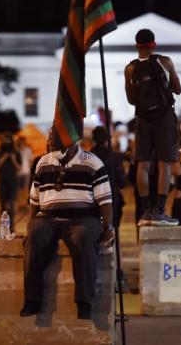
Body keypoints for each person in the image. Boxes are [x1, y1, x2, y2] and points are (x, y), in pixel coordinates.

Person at [20, 132, 115, 320]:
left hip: (84, 218)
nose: (50, 145)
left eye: (54, 142)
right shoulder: (43, 162)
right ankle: (32, 300)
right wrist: (31, 226)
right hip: (48, 217)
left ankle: (84, 302)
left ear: (70, 142)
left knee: (84, 239)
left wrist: (108, 227)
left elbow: (105, 200)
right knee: (34, 238)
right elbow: (34, 199)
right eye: (50, 141)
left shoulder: (92, 162)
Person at [124, 28, 181, 227]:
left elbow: (132, 99)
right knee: (165, 163)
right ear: (154, 45)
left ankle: (146, 210)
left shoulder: (130, 68)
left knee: (143, 164)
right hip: (164, 117)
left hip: (143, 119)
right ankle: (160, 210)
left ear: (136, 45)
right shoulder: (165, 62)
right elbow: (178, 89)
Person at [90, 126, 128, 231]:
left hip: (93, 198)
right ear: (107, 139)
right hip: (112, 196)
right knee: (113, 228)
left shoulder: (88, 157)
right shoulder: (113, 156)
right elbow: (121, 180)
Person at [0, 133, 21, 232]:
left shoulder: (16, 152)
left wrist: (13, 159)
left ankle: (12, 227)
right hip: (2, 181)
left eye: (8, 140)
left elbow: (19, 167)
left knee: (11, 205)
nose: (6, 142)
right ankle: (4, 227)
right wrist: (3, 159)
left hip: (13, 181)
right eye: (4, 140)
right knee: (3, 205)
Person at [17, 136, 34, 211]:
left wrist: (29, 168)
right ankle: (20, 203)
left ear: (24, 142)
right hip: (17, 173)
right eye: (19, 141)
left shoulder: (28, 150)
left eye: (21, 141)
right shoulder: (16, 150)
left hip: (26, 172)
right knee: (19, 189)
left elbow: (31, 160)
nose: (20, 143)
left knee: (25, 188)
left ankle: (25, 203)